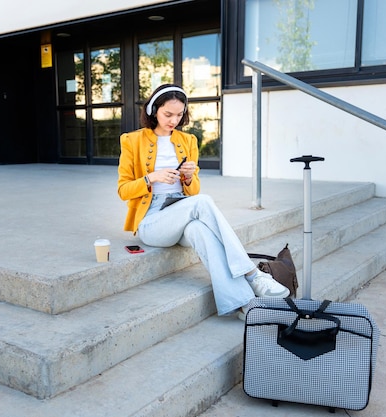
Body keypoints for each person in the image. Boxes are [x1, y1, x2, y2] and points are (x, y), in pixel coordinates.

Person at [117, 84, 289, 319]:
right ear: (153, 110)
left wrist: (188, 177)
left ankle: (244, 303)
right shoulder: (132, 140)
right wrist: (151, 178)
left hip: (182, 210)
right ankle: (251, 273)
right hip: (153, 221)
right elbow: (123, 190)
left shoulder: (188, 141)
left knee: (201, 230)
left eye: (179, 115)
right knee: (202, 202)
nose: (174, 120)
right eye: (168, 114)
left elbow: (194, 189)